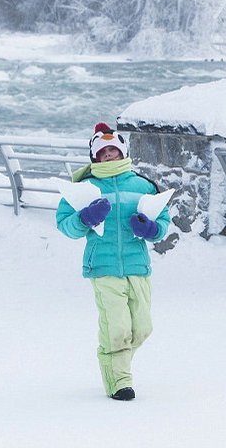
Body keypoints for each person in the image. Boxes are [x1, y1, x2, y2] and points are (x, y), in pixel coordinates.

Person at [55, 122, 171, 401]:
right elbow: (64, 225)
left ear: (122, 152)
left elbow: (163, 221)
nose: (109, 154)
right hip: (103, 267)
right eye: (103, 151)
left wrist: (150, 229)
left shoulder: (143, 185)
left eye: (113, 150)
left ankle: (113, 357)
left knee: (142, 328)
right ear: (95, 156)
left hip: (137, 266)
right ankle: (119, 380)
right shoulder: (84, 187)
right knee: (117, 327)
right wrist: (86, 218)